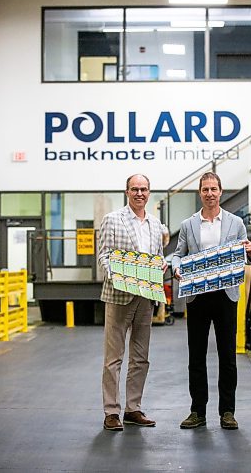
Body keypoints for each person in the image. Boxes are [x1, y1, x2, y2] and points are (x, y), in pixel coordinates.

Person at [172, 172, 251, 430]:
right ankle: (198, 411)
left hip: (226, 295)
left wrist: (250, 254)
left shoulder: (235, 223)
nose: (209, 193)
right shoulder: (188, 225)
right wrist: (176, 269)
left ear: (221, 192)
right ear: (200, 193)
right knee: (196, 356)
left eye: (214, 189)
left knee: (227, 356)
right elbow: (178, 255)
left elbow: (245, 255)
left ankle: (227, 412)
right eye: (205, 189)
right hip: (197, 295)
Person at [98, 174, 167, 432]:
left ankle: (133, 409)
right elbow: (103, 257)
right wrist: (119, 277)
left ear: (149, 193)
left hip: (146, 298)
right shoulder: (112, 220)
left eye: (144, 189)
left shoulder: (155, 225)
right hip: (119, 296)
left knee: (141, 357)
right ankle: (111, 411)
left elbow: (159, 257)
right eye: (135, 189)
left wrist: (161, 264)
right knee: (113, 358)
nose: (140, 193)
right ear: (127, 192)